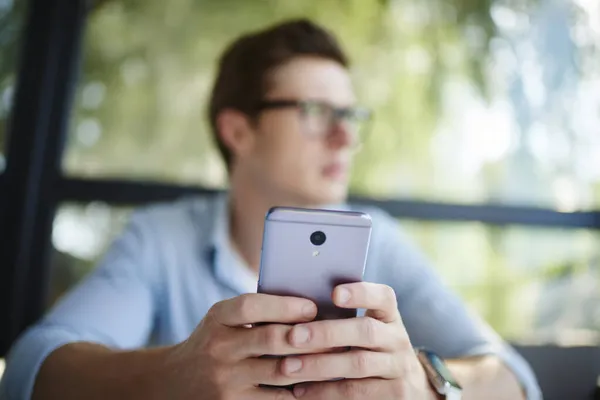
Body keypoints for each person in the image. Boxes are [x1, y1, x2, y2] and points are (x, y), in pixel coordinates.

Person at [0, 19, 541, 400]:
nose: (343, 136)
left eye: (350, 115)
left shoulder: (383, 240)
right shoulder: (160, 238)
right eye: (315, 111)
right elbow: (30, 366)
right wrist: (171, 374)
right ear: (238, 130)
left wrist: (426, 385)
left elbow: (514, 379)